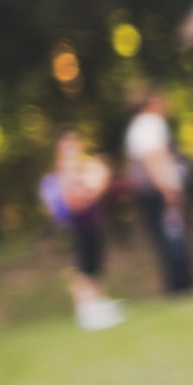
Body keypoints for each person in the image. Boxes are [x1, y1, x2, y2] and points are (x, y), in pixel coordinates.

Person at [38, 129, 124, 330]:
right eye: (68, 144)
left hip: (93, 221)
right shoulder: (64, 171)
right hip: (79, 225)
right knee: (84, 270)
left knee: (96, 266)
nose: (73, 147)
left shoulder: (81, 166)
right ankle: (86, 312)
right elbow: (74, 200)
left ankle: (99, 306)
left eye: (75, 142)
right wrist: (90, 192)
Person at [123, 84, 193, 295]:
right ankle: (182, 287)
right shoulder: (150, 124)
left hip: (152, 192)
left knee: (167, 239)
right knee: (172, 240)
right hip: (159, 192)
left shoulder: (138, 126)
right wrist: (169, 190)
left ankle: (180, 286)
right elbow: (154, 159)